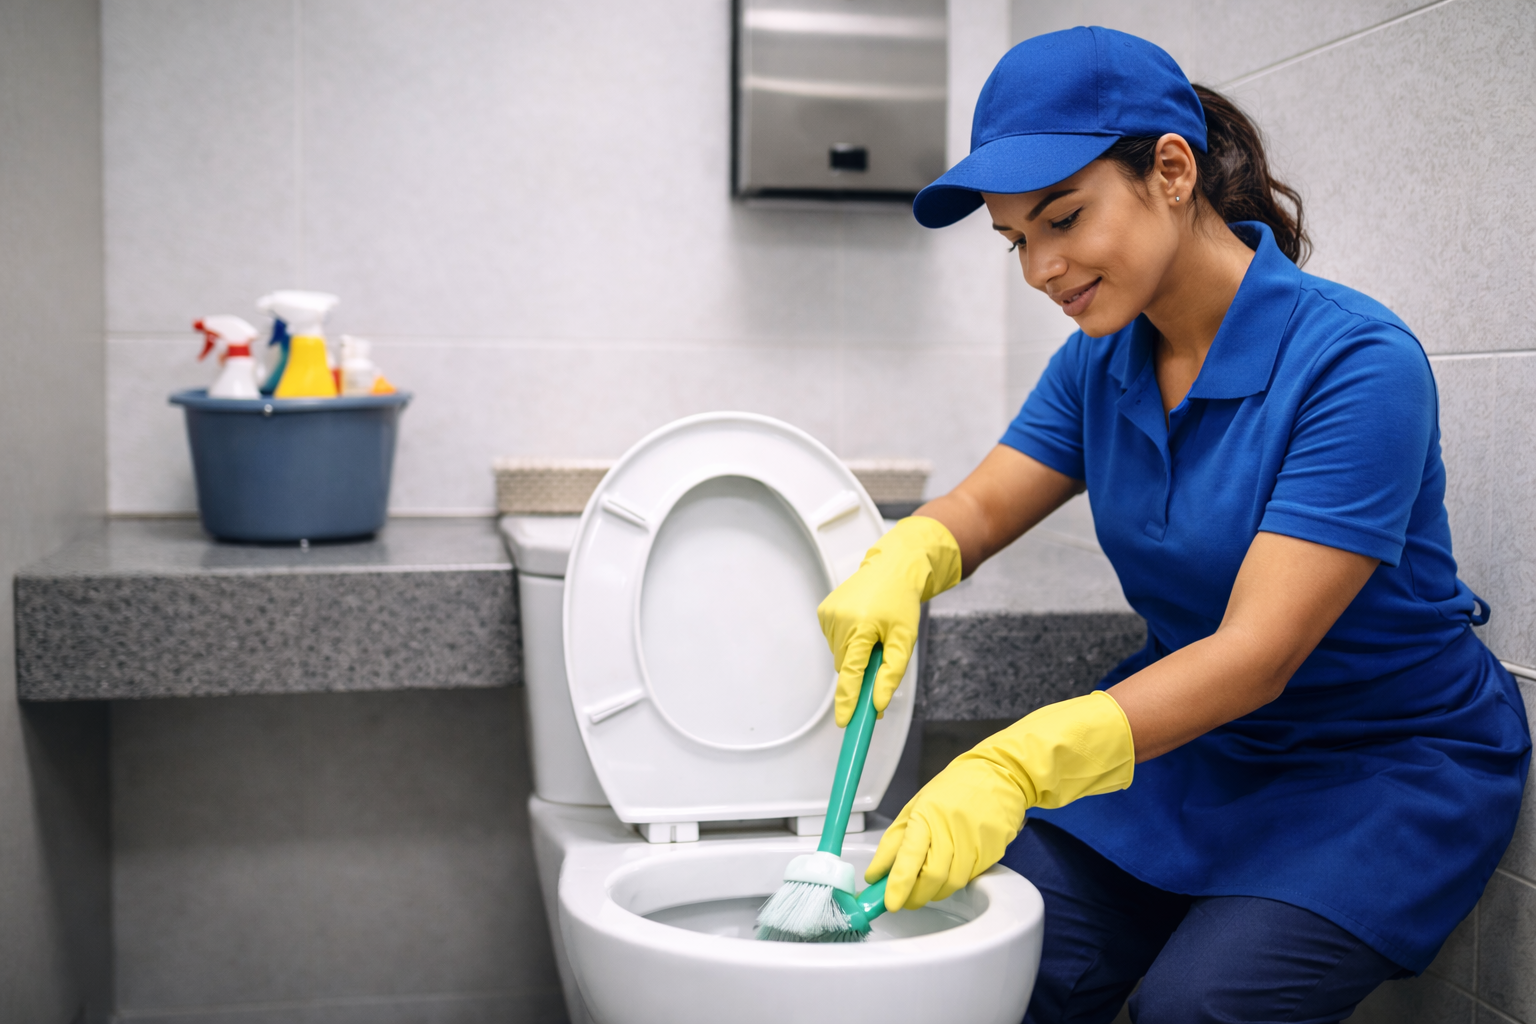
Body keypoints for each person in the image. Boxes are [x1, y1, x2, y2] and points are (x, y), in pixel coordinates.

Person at [817, 26, 1530, 1024]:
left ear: (1171, 170)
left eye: (1064, 218)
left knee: (1194, 1008)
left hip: (1380, 763)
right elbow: (978, 508)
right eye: (1017, 240)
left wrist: (1018, 761)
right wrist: (907, 557)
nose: (1040, 269)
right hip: (1193, 747)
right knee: (999, 964)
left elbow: (1256, 654)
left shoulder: (1356, 364)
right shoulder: (1101, 360)